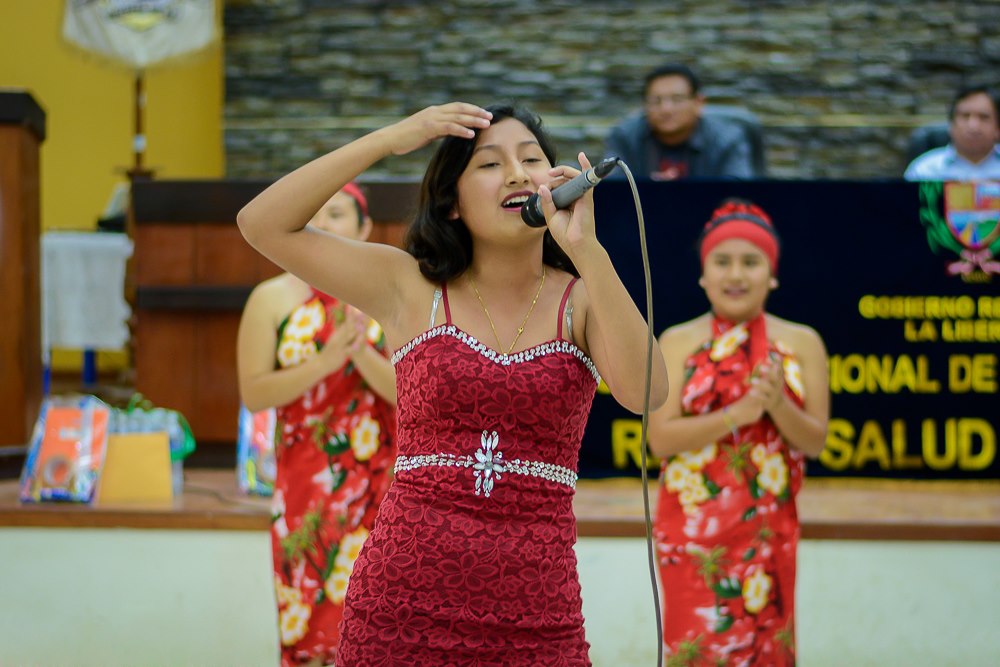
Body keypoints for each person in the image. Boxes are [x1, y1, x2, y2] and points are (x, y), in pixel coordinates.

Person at [237, 101, 669, 665]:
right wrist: (390, 138)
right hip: (400, 608)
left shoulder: (582, 297)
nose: (515, 174)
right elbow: (261, 224)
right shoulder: (409, 286)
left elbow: (646, 393)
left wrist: (587, 251)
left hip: (540, 614)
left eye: (531, 159)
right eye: (489, 163)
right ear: (453, 203)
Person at [647, 199, 829, 665]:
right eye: (722, 261)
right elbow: (660, 439)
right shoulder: (677, 341)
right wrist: (739, 414)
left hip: (769, 531)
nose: (736, 274)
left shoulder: (803, 342)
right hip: (694, 536)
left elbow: (814, 441)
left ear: (772, 275)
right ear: (703, 275)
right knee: (697, 651)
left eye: (751, 262)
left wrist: (777, 405)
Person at [236, 183, 398, 667]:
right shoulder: (270, 299)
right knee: (307, 628)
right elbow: (254, 393)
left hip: (381, 484)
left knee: (379, 630)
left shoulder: (391, 298)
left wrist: (359, 353)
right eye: (313, 212)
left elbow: (412, 394)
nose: (322, 223)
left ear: (364, 228)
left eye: (336, 213)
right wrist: (326, 362)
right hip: (305, 485)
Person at [604, 63, 757, 180]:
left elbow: (740, 192)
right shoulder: (624, 136)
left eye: (677, 99)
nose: (666, 109)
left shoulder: (727, 139)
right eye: (656, 100)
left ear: (698, 102)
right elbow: (614, 191)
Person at [904, 85, 1000, 180]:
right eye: (965, 116)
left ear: (997, 128)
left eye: (983, 117)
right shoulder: (925, 170)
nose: (973, 126)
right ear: (951, 125)